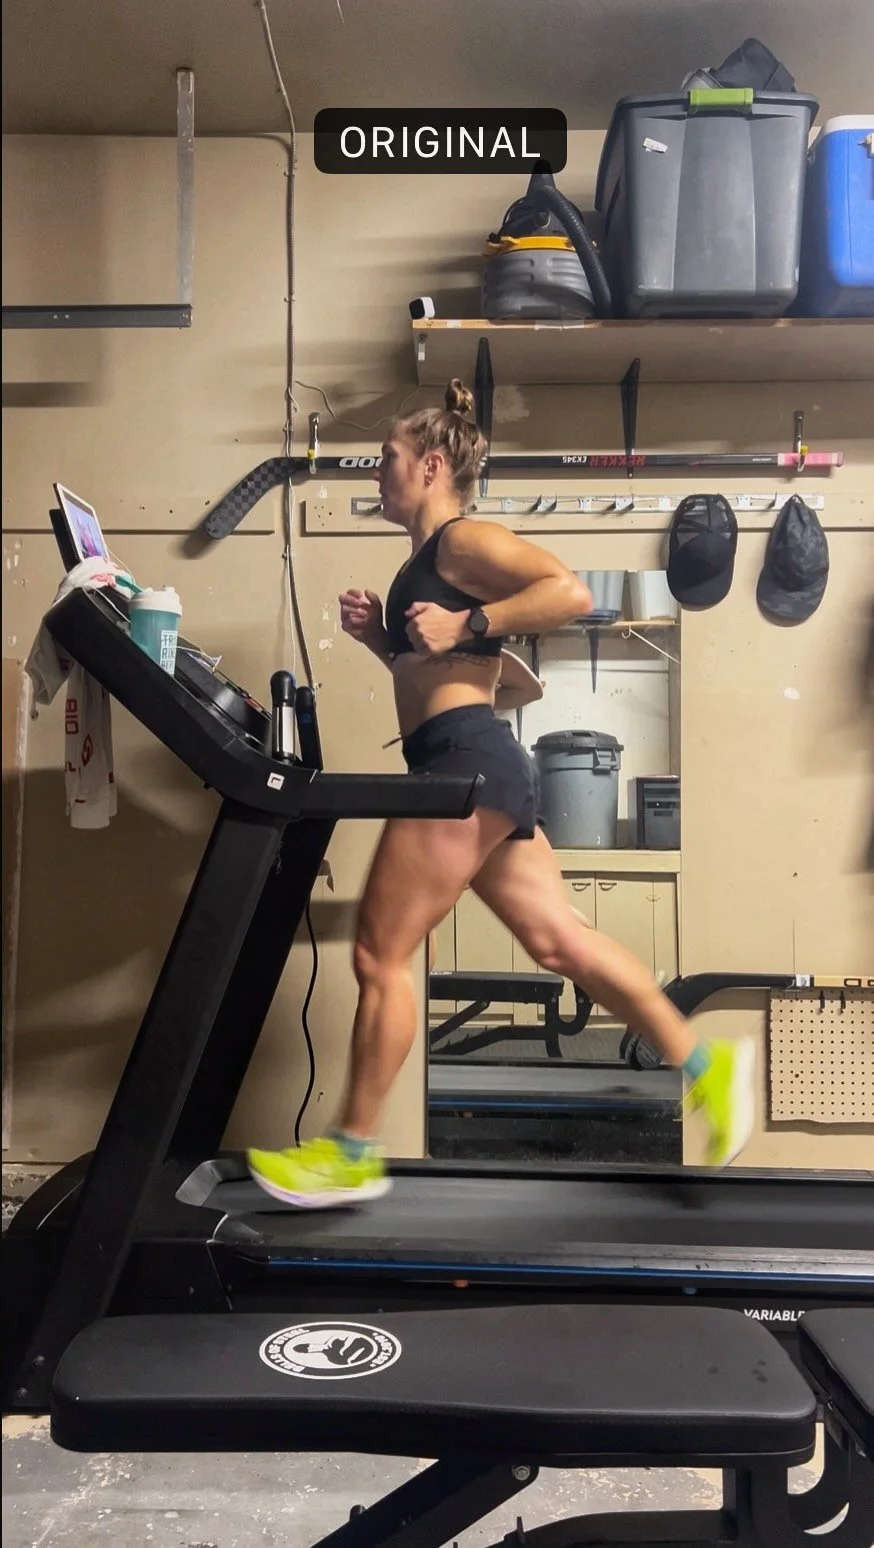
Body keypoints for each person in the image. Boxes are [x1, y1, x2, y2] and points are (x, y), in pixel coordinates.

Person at [248, 379, 755, 1207]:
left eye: (387, 457)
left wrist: (470, 623)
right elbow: (439, 673)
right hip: (479, 760)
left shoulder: (460, 541)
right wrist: (383, 640)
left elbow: (570, 592)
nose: (377, 471)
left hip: (462, 765)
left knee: (379, 956)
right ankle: (703, 1062)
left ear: (430, 465)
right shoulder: (425, 562)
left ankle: (351, 1153)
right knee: (559, 941)